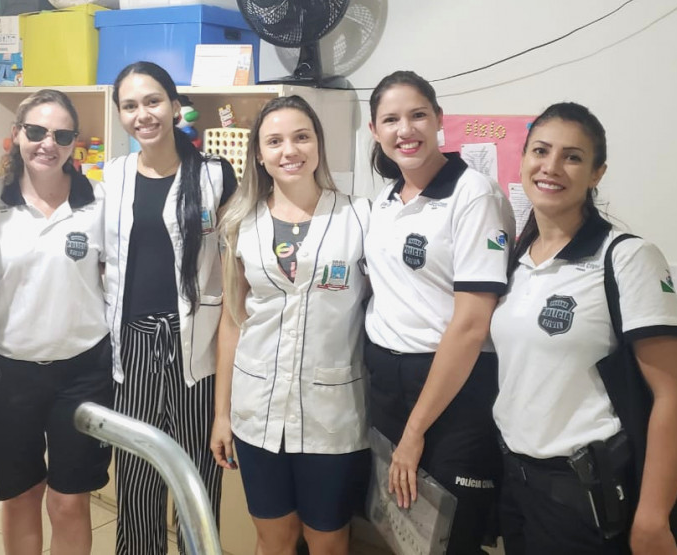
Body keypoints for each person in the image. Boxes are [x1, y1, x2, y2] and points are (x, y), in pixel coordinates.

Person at [491, 102, 677, 555]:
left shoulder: (626, 257)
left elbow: (672, 395)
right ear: (523, 160)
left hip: (585, 492)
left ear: (597, 173)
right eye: (540, 151)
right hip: (517, 480)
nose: (552, 167)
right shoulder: (516, 260)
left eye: (573, 157)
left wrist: (653, 518)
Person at [210, 95, 370, 555]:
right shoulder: (240, 222)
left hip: (333, 415)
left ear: (318, 144)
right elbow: (231, 323)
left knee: (327, 540)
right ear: (258, 154)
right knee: (273, 538)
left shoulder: (359, 216)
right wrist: (222, 415)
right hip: (257, 411)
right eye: (274, 141)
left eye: (302, 137)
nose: (289, 150)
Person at [364, 70, 514, 554]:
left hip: (452, 387)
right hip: (388, 382)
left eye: (417, 115)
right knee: (403, 527)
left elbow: (471, 325)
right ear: (374, 131)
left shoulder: (475, 195)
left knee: (452, 536)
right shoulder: (385, 203)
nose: (405, 130)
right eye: (391, 119)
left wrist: (414, 433)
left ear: (438, 120)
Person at [103, 61, 237, 555]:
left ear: (175, 106)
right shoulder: (112, 177)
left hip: (195, 348)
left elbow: (235, 264)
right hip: (134, 343)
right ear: (120, 114)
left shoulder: (216, 175)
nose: (144, 114)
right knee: (136, 478)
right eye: (131, 105)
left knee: (197, 480)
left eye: (154, 101)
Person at [0, 89, 113, 555]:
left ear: (75, 141)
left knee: (69, 501)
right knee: (20, 496)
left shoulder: (99, 202)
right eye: (35, 131)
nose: (47, 144)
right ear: (16, 135)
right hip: (8, 368)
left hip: (83, 370)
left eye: (61, 134)